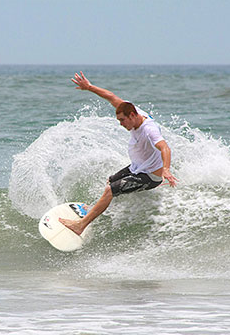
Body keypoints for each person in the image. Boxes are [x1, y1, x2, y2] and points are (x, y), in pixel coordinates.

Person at [59, 72, 178, 235]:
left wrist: (166, 169)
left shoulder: (149, 129)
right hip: (138, 167)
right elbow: (111, 96)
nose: (121, 124)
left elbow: (165, 147)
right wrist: (89, 87)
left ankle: (80, 226)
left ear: (132, 115)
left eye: (122, 120)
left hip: (150, 176)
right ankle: (95, 210)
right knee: (111, 182)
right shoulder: (131, 111)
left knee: (111, 190)